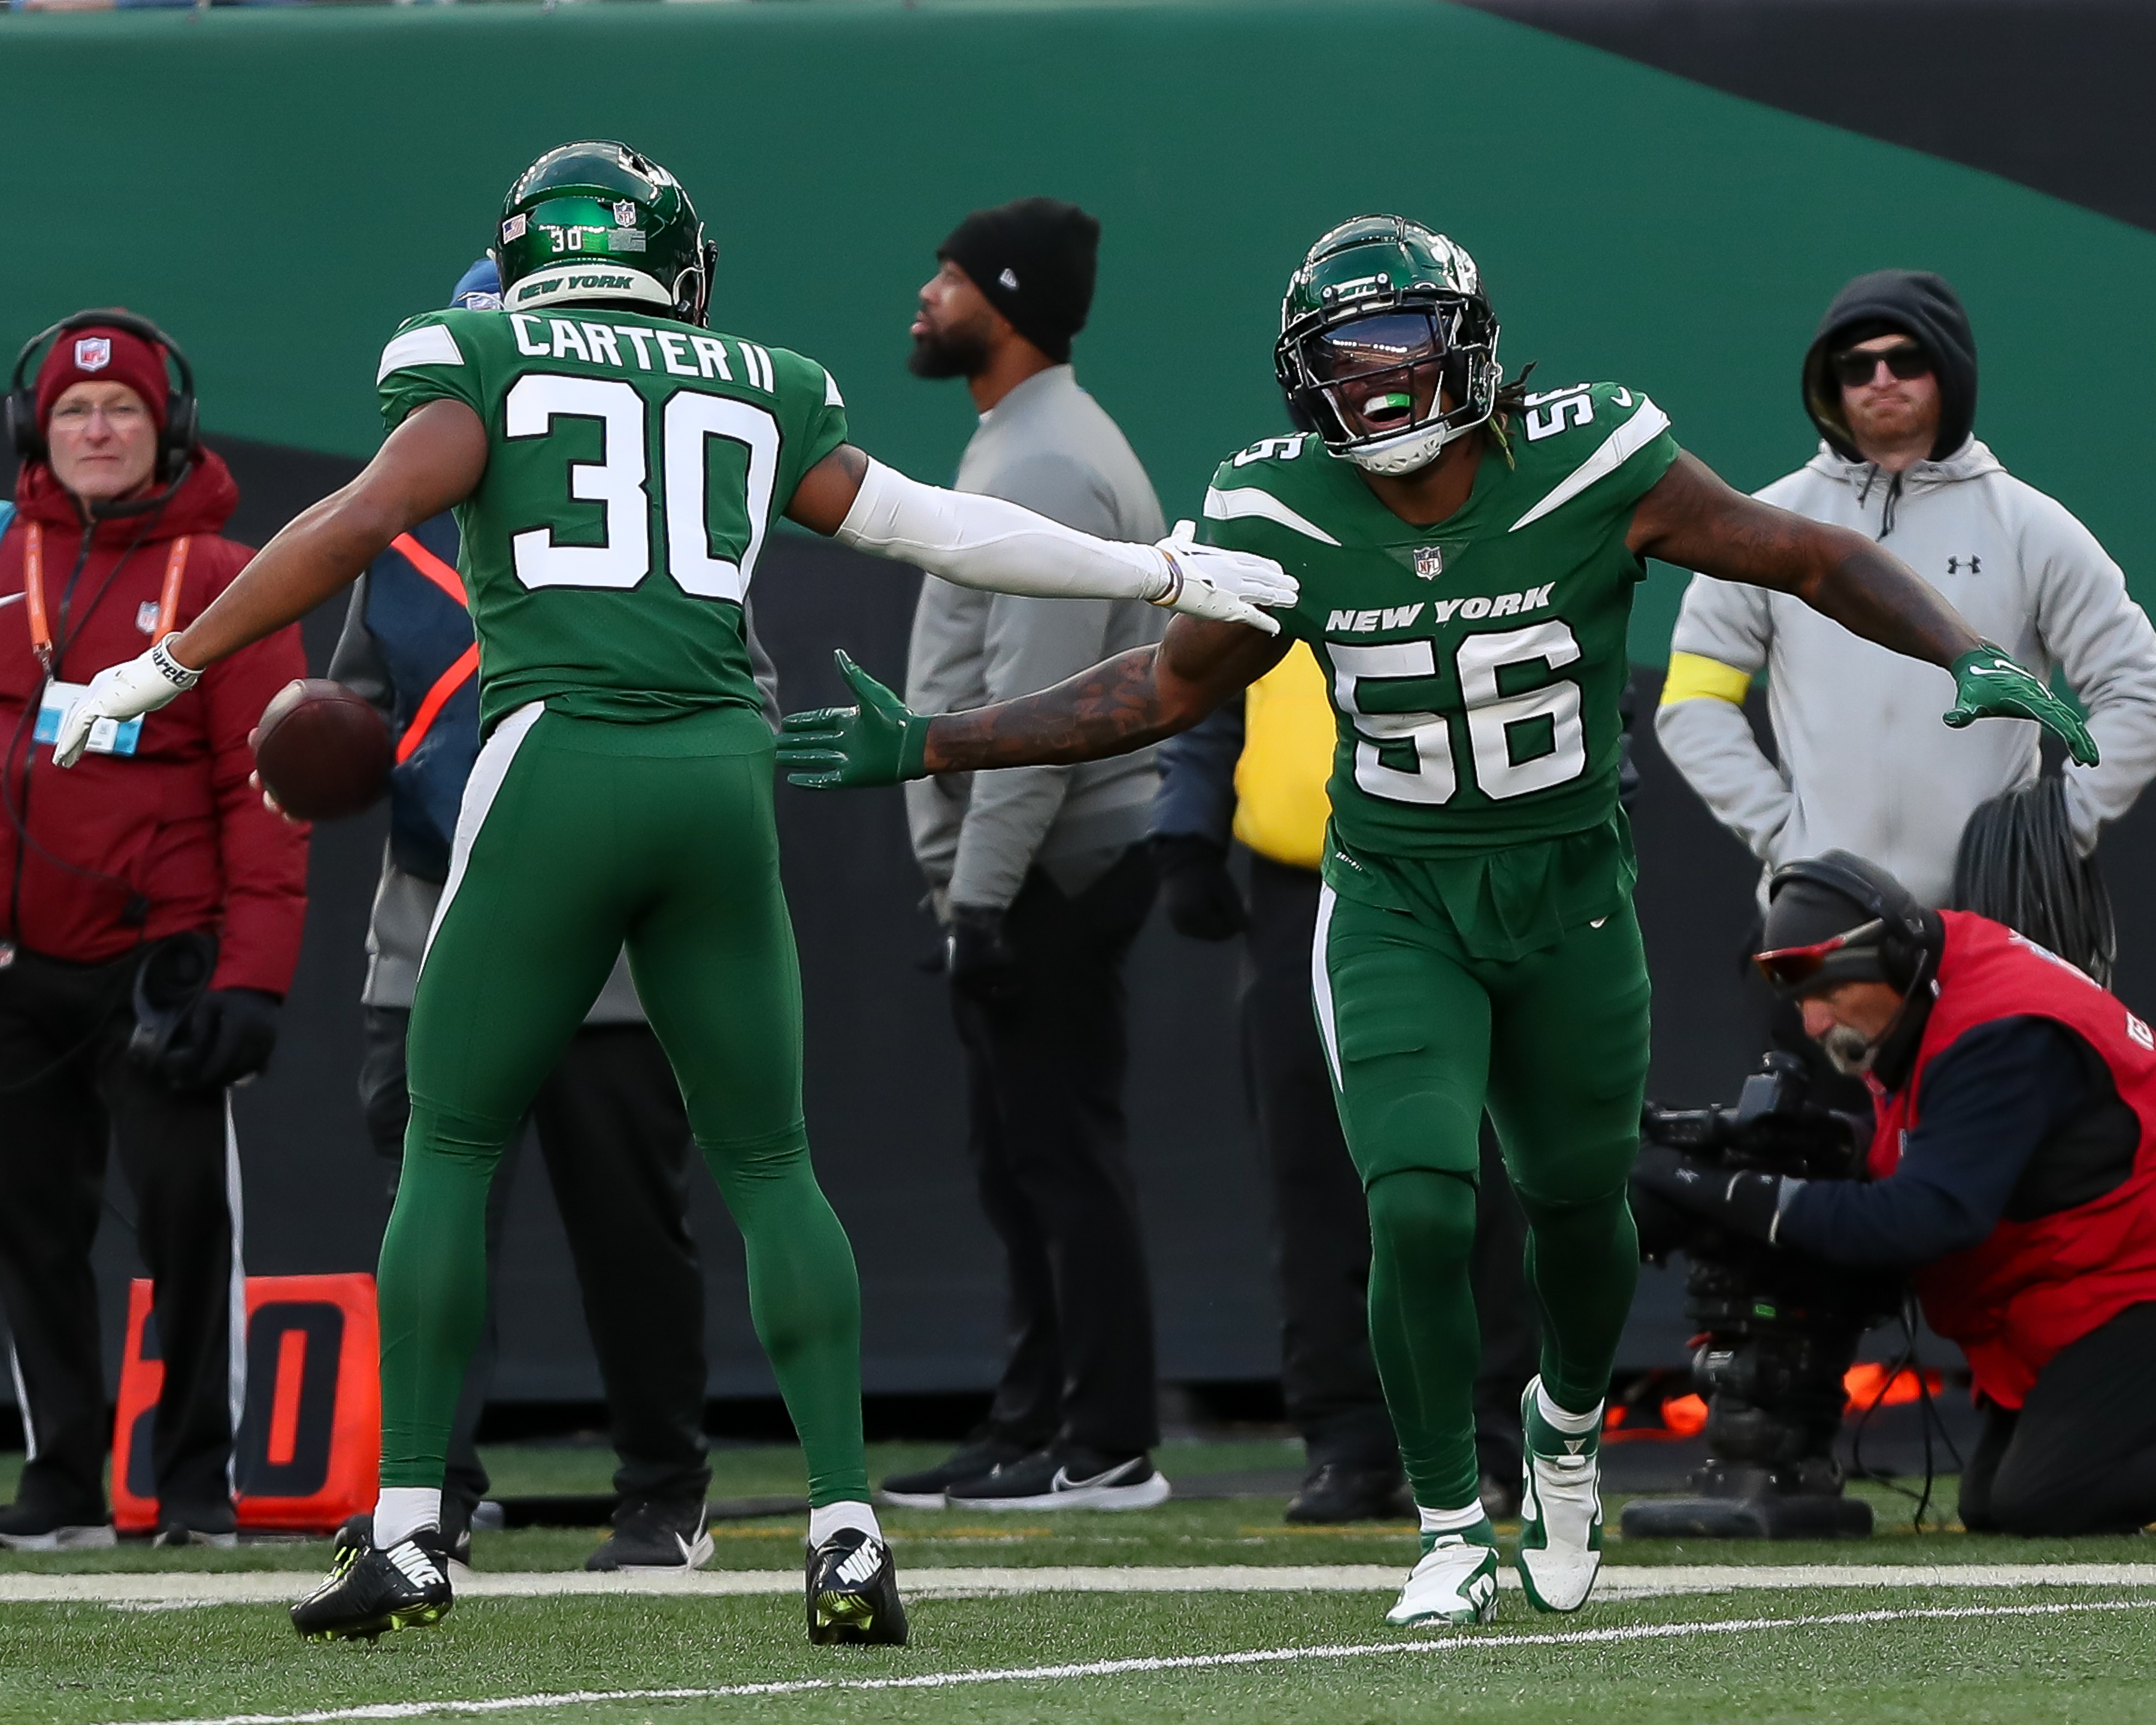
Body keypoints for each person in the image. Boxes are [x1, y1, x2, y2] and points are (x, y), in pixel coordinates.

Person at [774, 215, 2095, 1627]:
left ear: (1462, 345)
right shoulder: (1279, 507)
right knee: (1410, 1203)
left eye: (1397, 345)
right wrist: (939, 743)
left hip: (1570, 893)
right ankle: (1447, 1521)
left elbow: (1806, 557)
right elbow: (1161, 692)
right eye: (1340, 357)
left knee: (1579, 1210)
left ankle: (1568, 1428)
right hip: (1397, 890)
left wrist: (1971, 650)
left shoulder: (1594, 457)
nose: (1374, 382)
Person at [54, 141, 1291, 1645]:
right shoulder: (755, 377)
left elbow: (365, 517)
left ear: (524, 254)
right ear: (674, 261)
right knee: (769, 1160)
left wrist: (173, 658)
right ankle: (842, 1528)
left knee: (447, 1143)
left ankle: (406, 1532)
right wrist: (1154, 570)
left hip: (556, 755)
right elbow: (924, 522)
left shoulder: (475, 348)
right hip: (717, 769)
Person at [328, 256, 773, 1573]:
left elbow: (740, 694)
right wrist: (320, 744)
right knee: (431, 1217)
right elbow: (353, 705)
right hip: (429, 924)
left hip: (616, 958)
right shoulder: (394, 538)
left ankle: (664, 1489)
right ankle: (431, 1495)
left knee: (632, 1236)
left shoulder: (653, 538)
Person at [879, 199, 1173, 1514]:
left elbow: (1034, 715)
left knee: (1062, 1161)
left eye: (947, 277)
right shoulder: (1019, 443)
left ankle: (1104, 1446)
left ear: (1004, 299)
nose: (926, 297)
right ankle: (1032, 1422)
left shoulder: (1048, 463)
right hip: (1027, 868)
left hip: (1051, 868)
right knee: (1022, 1165)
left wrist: (980, 898)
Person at [0, 311, 307, 1550]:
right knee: (31, 1231)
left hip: (161, 965)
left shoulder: (230, 575)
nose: (96, 429)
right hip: (22, 967)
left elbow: (267, 788)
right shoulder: (2, 560)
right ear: (39, 428)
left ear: (166, 425)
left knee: (187, 1229)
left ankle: (192, 1483)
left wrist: (253, 979)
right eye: (74, 411)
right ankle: (63, 1479)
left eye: (121, 407)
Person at [1633, 850, 2156, 1536]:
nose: (1815, 1025)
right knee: (1992, 1505)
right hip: (2087, 1283)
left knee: (2046, 1500)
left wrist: (1723, 1191)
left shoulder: (2000, 1032)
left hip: (2130, 1287)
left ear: (1889, 961)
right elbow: (1951, 1138)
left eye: (1826, 994)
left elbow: (1927, 1219)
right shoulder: (1938, 978)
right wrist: (1827, 1140)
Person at [1151, 648, 1537, 1524]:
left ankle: (1488, 1435)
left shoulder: (1483, 523)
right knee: (1312, 1175)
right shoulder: (1272, 524)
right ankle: (1348, 1442)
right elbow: (1206, 676)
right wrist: (1186, 824)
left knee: (1470, 1164)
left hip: (1467, 872)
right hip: (1300, 883)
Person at [1657, 269, 2156, 909]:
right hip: (1824, 920)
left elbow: (2137, 686)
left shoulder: (2031, 527)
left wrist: (2058, 830)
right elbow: (1694, 699)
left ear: (1949, 371)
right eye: (1857, 366)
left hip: (1991, 918)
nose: (1881, 380)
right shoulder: (1770, 525)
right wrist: (1790, 840)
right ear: (1830, 385)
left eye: (1905, 359)